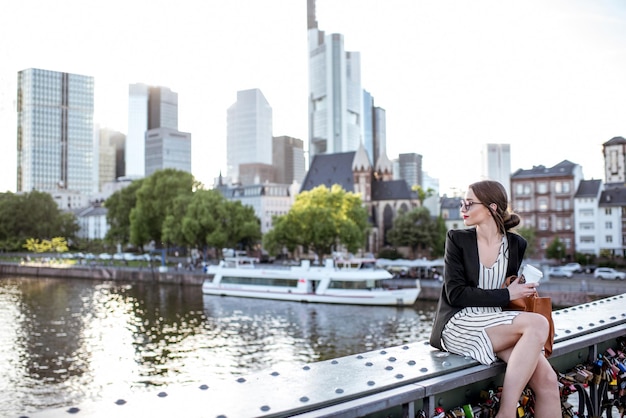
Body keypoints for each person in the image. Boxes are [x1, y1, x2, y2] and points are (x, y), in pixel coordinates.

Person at [429, 180, 560, 418]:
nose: (463, 208)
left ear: (492, 207)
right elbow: (456, 294)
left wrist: (517, 288)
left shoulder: (516, 244)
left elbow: (503, 290)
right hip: (460, 323)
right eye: (462, 203)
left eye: (469, 203)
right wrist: (508, 294)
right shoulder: (457, 239)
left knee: (549, 382)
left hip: (496, 322)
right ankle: (507, 412)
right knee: (538, 323)